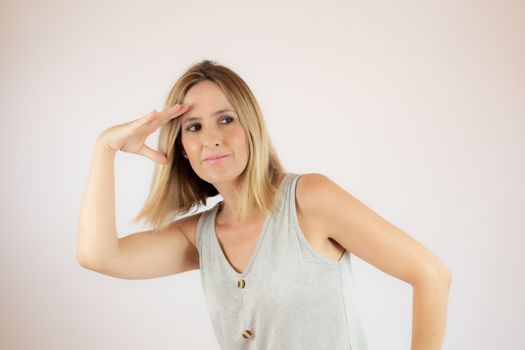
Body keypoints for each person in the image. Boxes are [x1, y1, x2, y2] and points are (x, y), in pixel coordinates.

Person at [77, 59, 452, 350]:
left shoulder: (309, 200)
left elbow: (431, 276)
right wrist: (104, 148)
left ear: (251, 126)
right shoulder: (199, 238)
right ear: (181, 148)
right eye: (193, 127)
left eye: (226, 119)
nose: (212, 139)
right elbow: (99, 256)